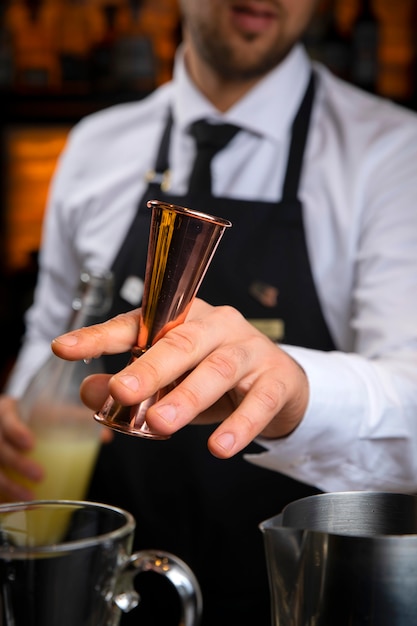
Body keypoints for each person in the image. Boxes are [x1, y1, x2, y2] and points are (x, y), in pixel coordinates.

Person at [1, 0, 417, 624]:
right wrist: (17, 424)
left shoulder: (391, 153)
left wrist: (293, 392)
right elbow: (50, 333)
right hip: (105, 590)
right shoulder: (96, 145)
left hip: (293, 595)